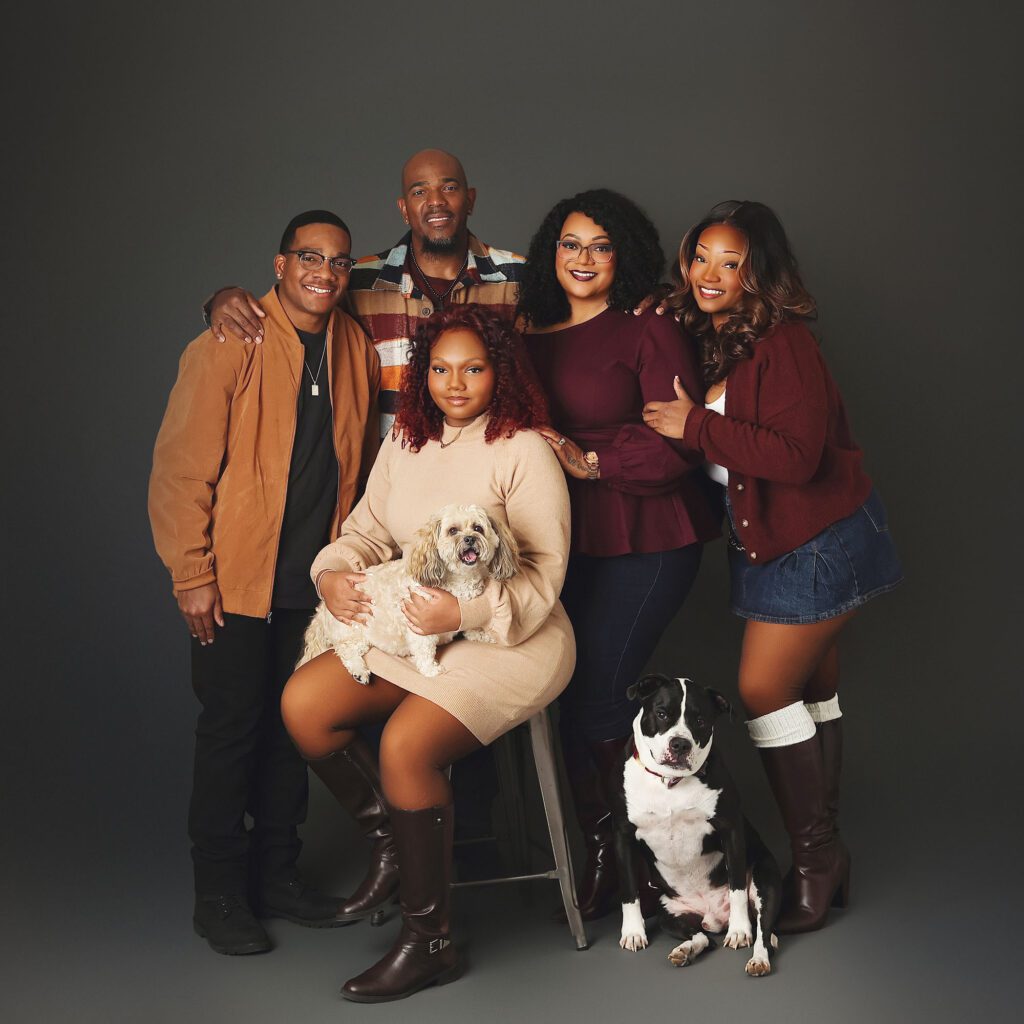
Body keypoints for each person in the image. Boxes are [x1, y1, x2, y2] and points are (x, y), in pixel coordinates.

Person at [280, 304, 574, 1002]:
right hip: (419, 628)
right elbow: (366, 531)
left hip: (511, 636)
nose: (456, 383)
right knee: (304, 705)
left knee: (406, 746)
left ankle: (429, 939)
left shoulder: (522, 448)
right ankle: (392, 843)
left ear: (498, 372)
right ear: (422, 376)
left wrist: (462, 610)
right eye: (440, 369)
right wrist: (331, 571)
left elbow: (543, 573)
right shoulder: (405, 442)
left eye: (473, 368)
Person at [643, 200, 903, 933]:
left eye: (733, 263)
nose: (712, 275)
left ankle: (816, 860)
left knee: (762, 688)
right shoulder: (715, 328)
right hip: (770, 541)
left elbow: (796, 456)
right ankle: (831, 859)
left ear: (761, 272)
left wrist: (694, 425)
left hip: (819, 539)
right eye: (701, 258)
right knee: (813, 685)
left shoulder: (782, 342)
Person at [148, 211, 382, 954]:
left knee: (291, 734)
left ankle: (277, 875)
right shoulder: (231, 339)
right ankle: (218, 891)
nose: (326, 271)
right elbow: (180, 469)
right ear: (279, 266)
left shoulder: (353, 344)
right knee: (230, 732)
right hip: (234, 583)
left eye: (340, 261)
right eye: (310, 257)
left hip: (314, 587)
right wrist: (192, 574)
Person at [516, 189, 720, 921]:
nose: (582, 259)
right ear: (550, 254)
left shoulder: (647, 330)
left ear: (622, 256)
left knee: (603, 689)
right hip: (564, 540)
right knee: (566, 689)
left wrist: (593, 464)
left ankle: (620, 856)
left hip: (648, 532)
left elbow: (682, 438)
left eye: (600, 246)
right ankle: (608, 842)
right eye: (569, 244)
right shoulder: (527, 331)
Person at [206, 149, 525, 438]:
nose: (436, 201)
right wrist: (223, 299)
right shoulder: (358, 279)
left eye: (449, 187)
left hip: (490, 475)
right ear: (404, 209)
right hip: (389, 481)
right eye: (419, 191)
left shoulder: (517, 277)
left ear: (470, 199)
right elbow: (290, 315)